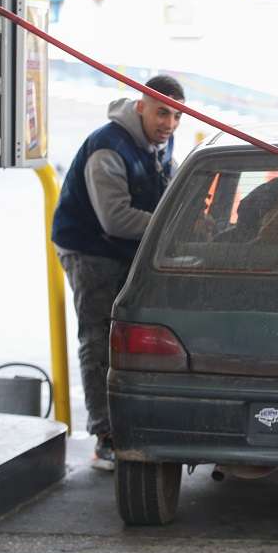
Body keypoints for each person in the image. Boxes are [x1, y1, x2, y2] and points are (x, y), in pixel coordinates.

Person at [52, 74, 185, 470]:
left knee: (139, 336)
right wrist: (173, 226)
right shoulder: (107, 147)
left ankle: (141, 424)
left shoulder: (162, 144)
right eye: (163, 113)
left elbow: (170, 192)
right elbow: (116, 219)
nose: (170, 124)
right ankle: (105, 436)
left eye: (178, 116)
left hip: (131, 251)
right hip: (89, 250)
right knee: (99, 336)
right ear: (140, 105)